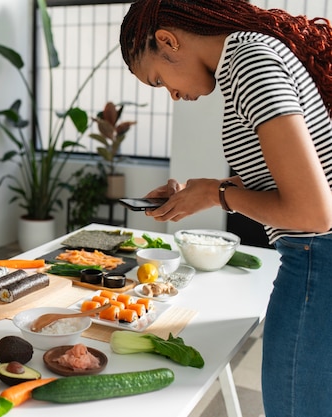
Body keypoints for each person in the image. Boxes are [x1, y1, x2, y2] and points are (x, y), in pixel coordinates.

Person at [119, 1, 332, 416]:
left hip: (316, 264)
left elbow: (314, 213)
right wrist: (207, 190)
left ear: (168, 40)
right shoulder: (253, 52)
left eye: (160, 79)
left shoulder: (249, 61)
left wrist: (218, 195)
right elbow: (293, 181)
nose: (174, 95)